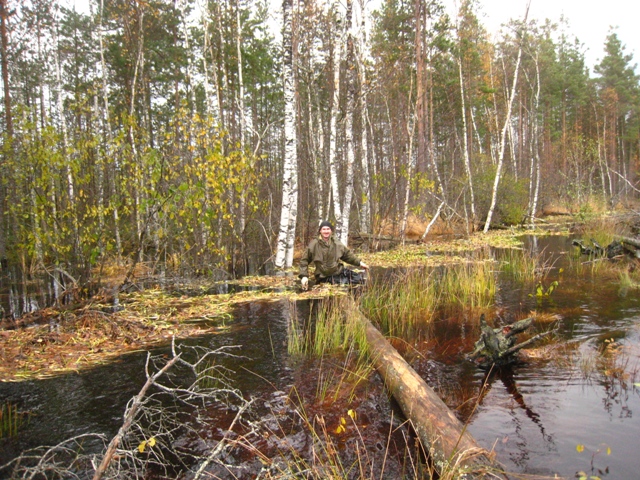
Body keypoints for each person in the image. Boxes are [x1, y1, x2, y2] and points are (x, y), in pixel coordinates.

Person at [299, 220, 369, 290]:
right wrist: (304, 276)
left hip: (339, 271)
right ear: (320, 231)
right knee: (345, 284)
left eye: (328, 229)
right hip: (324, 277)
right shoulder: (314, 245)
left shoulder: (336, 243)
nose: (326, 231)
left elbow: (347, 255)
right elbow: (304, 261)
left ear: (331, 231)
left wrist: (360, 263)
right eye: (324, 229)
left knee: (360, 280)